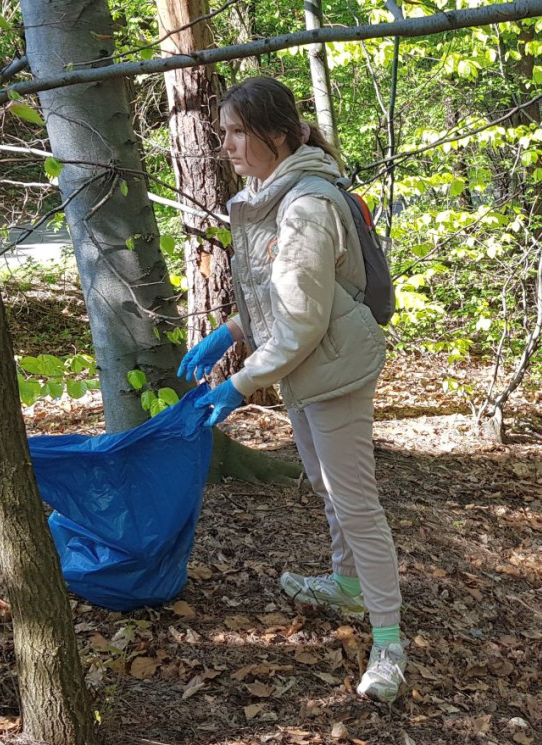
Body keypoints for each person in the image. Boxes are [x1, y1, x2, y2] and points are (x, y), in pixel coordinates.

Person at [176, 77, 405, 703]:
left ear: (274, 135)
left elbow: (303, 323)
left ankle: (389, 641)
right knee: (325, 485)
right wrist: (229, 332)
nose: (223, 144)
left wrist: (241, 385)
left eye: (235, 132)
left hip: (334, 367)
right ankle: (346, 584)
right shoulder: (268, 192)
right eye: (222, 131)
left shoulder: (304, 207)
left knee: (356, 503)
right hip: (306, 363)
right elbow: (286, 299)